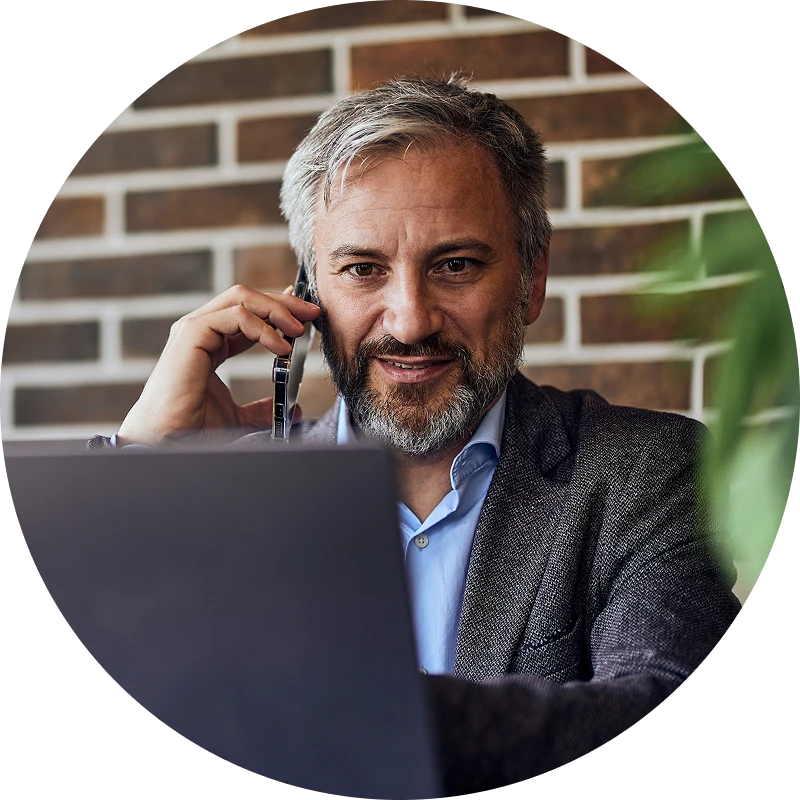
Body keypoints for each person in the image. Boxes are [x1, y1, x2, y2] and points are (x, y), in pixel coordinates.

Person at [88, 73, 741, 794]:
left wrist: (346, 709)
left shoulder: (651, 472)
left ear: (531, 278)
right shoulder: (221, 495)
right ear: (308, 296)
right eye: (363, 269)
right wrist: (139, 473)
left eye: (455, 265)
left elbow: (654, 702)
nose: (410, 321)